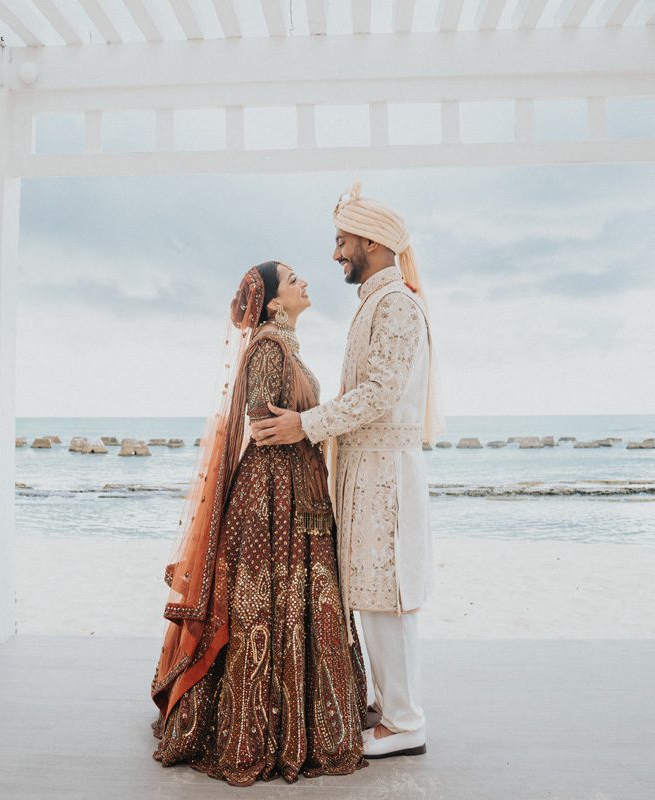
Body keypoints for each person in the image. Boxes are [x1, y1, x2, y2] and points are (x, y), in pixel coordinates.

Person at [150, 261, 368, 786]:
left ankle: (298, 722)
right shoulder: (270, 348)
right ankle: (267, 730)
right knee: (272, 608)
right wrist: (299, 433)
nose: (304, 283)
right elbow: (262, 421)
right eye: (293, 279)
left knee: (289, 605)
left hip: (294, 491)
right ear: (273, 302)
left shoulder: (283, 345)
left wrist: (306, 430)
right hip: (275, 495)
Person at [252, 184, 443, 760]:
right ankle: (391, 712)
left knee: (390, 595)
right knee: (373, 593)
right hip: (364, 470)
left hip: (385, 470)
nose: (336, 254)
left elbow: (382, 392)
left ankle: (406, 722)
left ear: (371, 241)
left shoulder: (396, 305)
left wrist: (306, 424)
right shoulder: (376, 302)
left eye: (341, 241)